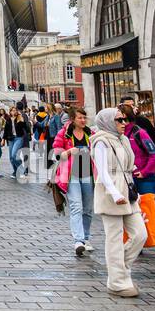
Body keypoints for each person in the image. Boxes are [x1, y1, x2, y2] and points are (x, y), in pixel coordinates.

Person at [91, 107, 145, 298]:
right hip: (111, 191)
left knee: (140, 234)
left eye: (125, 119)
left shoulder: (122, 139)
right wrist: (114, 193)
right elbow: (103, 172)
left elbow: (128, 165)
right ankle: (117, 282)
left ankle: (120, 270)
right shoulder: (100, 141)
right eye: (120, 120)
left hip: (128, 190)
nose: (124, 123)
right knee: (114, 238)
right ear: (107, 122)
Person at [123, 109, 155, 260]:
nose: (118, 122)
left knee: (151, 209)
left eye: (121, 119)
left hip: (145, 178)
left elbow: (154, 154)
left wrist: (144, 171)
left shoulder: (139, 133)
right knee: (131, 211)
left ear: (128, 119)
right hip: (128, 179)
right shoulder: (118, 135)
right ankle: (137, 242)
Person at [52, 108, 93, 256]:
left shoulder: (90, 133)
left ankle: (86, 238)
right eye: (80, 118)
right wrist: (69, 151)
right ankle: (78, 240)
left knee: (88, 209)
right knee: (76, 206)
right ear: (73, 119)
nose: (83, 120)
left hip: (88, 173)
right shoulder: (64, 133)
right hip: (71, 174)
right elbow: (56, 152)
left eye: (84, 117)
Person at [4, 107, 30, 179]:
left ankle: (21, 171)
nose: (14, 112)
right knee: (11, 158)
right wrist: (3, 139)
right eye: (12, 110)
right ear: (10, 112)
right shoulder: (8, 119)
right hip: (11, 139)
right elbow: (6, 130)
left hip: (19, 138)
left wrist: (22, 121)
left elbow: (26, 128)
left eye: (15, 110)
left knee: (14, 155)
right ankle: (15, 171)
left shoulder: (19, 118)